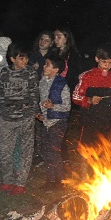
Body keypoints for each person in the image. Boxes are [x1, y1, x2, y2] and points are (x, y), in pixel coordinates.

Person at [0, 42, 39, 195]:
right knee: (5, 151)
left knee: (25, 151)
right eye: (21, 58)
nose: (25, 61)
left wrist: (29, 112)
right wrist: (3, 113)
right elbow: (1, 95)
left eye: (26, 58)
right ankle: (7, 180)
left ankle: (21, 183)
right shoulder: (4, 73)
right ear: (12, 59)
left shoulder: (30, 73)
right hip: (7, 119)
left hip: (25, 119)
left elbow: (34, 95)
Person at [72, 42, 111, 147]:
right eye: (104, 62)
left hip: (107, 118)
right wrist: (89, 100)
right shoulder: (87, 76)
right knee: (90, 149)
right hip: (89, 118)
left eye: (110, 62)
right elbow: (75, 97)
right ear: (97, 59)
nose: (107, 65)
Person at [37, 52, 71, 188]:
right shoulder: (42, 82)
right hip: (46, 121)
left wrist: (53, 106)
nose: (44, 66)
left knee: (53, 151)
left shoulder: (62, 85)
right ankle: (51, 180)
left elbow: (67, 107)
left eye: (47, 65)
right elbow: (41, 101)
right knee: (45, 150)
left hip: (58, 122)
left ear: (56, 69)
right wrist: (40, 114)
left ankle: (59, 180)